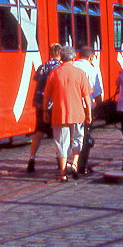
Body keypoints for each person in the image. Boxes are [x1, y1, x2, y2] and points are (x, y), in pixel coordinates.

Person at [43, 46, 91, 181]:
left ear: (61, 57)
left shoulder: (54, 73)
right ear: (73, 57)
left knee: (61, 143)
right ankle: (75, 163)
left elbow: (46, 96)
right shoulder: (80, 73)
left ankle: (63, 173)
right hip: (78, 114)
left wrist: (45, 111)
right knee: (77, 139)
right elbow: (86, 96)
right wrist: (89, 113)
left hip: (59, 114)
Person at [25, 44, 61, 173]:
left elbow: (37, 79)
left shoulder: (43, 66)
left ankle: (32, 158)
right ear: (60, 53)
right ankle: (59, 160)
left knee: (39, 132)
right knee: (58, 132)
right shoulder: (59, 67)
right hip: (53, 104)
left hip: (40, 103)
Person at [72, 46, 103, 175]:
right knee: (84, 136)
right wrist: (100, 108)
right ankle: (81, 165)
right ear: (91, 57)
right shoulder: (93, 69)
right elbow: (97, 92)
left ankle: (63, 165)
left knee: (69, 136)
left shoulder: (72, 66)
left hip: (71, 106)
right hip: (85, 107)